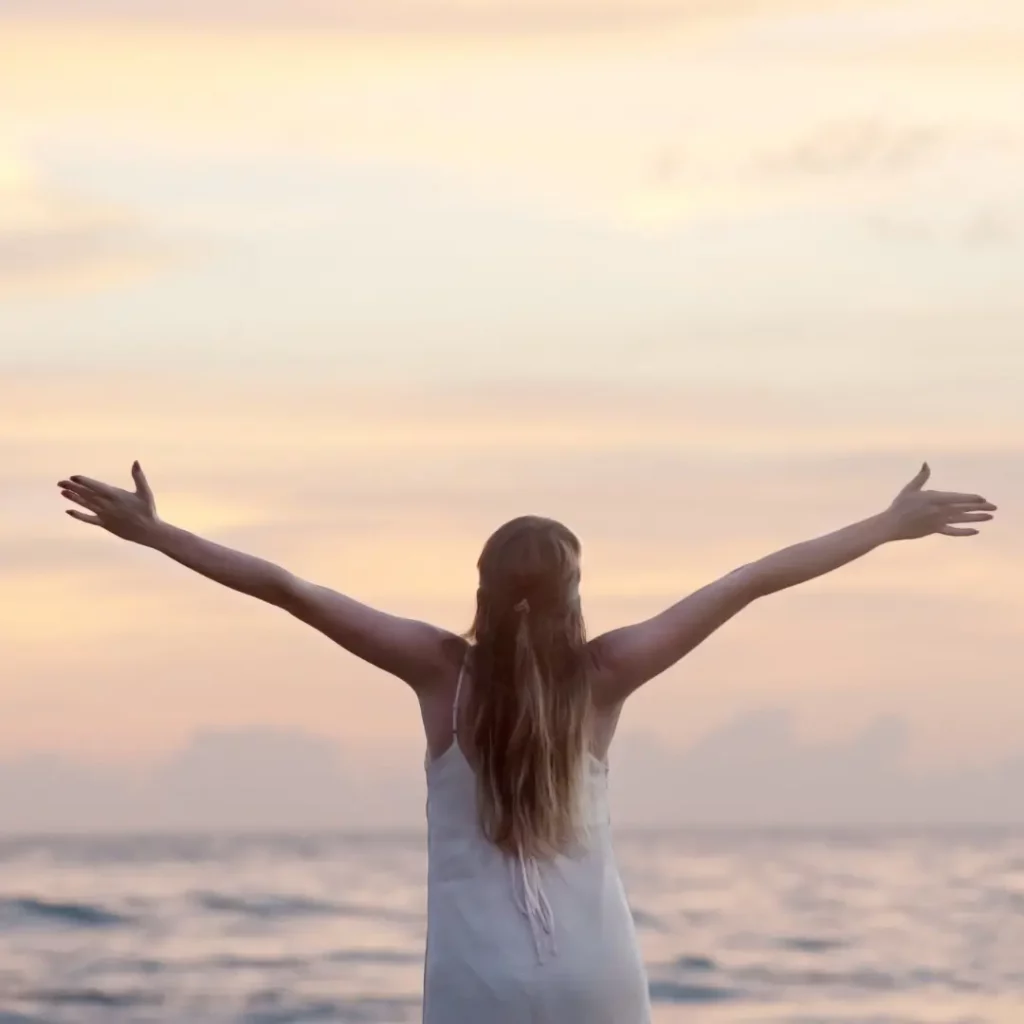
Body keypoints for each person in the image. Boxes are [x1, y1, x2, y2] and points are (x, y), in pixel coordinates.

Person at [57, 461, 995, 1023]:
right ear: (575, 593)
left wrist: (156, 534)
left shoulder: (438, 672)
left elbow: (288, 587)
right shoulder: (610, 672)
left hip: (478, 987)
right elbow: (750, 579)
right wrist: (884, 527)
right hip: (597, 976)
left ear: (481, 582)